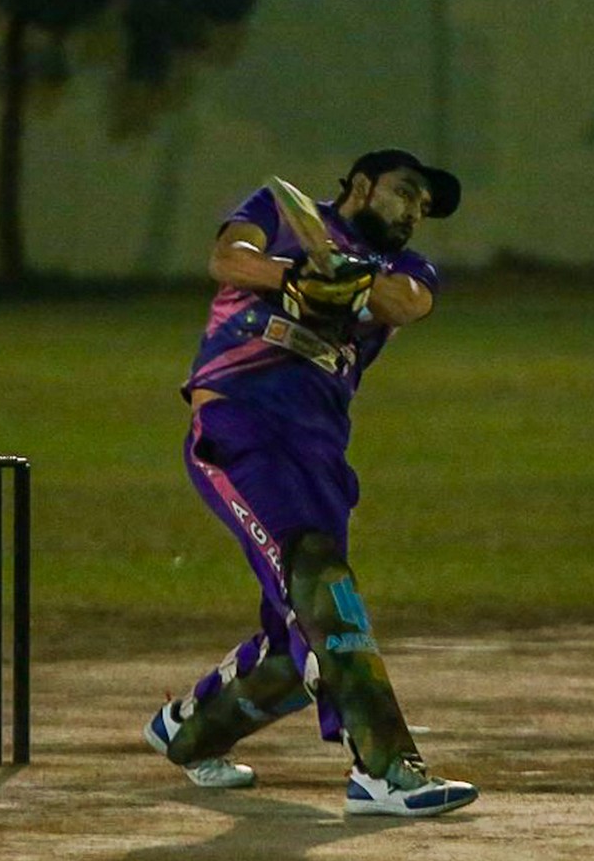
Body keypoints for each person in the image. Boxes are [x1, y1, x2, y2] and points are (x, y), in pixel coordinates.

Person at [142, 149, 478, 818]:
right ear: (362, 184)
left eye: (423, 206)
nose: (413, 211)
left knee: (302, 631)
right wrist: (296, 276)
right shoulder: (278, 211)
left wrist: (350, 283)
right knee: (322, 585)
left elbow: (406, 303)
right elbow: (230, 259)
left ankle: (192, 729)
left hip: (319, 451)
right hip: (240, 423)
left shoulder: (407, 268)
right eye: (404, 192)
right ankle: (384, 769)